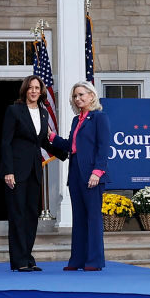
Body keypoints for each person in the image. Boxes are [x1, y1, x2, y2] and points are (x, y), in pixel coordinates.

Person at [0, 75, 63, 272]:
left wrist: (66, 152)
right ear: (25, 90)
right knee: (17, 214)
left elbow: (43, 141)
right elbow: (6, 142)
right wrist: (8, 170)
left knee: (31, 215)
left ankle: (28, 257)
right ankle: (18, 261)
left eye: (37, 88)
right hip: (16, 171)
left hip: (35, 170)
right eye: (31, 88)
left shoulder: (43, 113)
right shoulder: (14, 110)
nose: (34, 91)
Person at [48, 81, 111, 271]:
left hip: (92, 175)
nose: (78, 99)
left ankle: (94, 261)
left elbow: (103, 147)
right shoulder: (77, 120)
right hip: (75, 173)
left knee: (93, 218)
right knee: (79, 218)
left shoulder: (100, 118)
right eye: (75, 96)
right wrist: (52, 137)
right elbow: (70, 146)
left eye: (81, 95)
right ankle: (77, 260)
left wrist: (97, 172)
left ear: (92, 96)